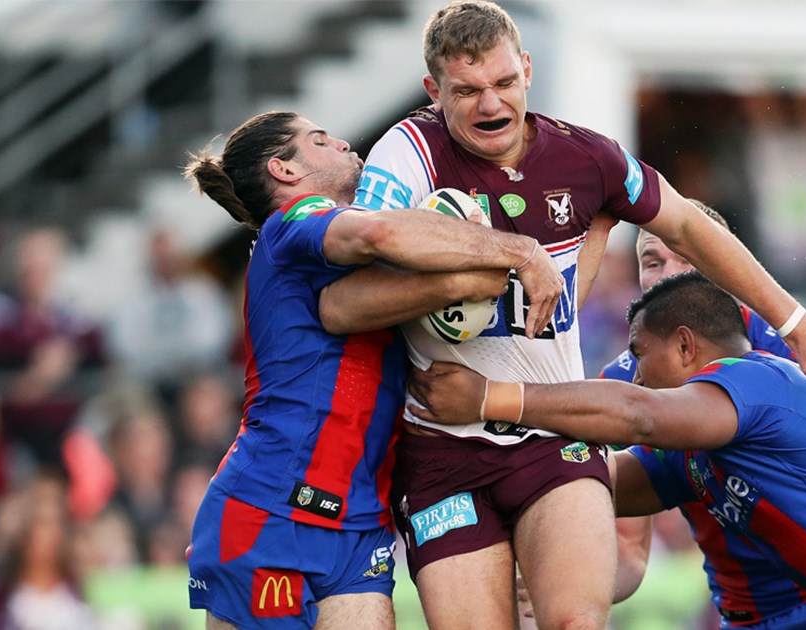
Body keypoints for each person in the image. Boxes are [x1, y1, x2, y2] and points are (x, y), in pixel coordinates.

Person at [343, 3, 806, 626]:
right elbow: (348, 296)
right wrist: (495, 262)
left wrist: (795, 322)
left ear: (527, 69)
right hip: (441, 451)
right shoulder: (408, 152)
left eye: (504, 82)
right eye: (467, 91)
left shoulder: (585, 156)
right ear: (434, 92)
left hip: (551, 441)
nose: (491, 104)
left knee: (575, 622)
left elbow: (686, 223)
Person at [409, 273, 806, 629]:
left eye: (640, 355)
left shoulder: (758, 378)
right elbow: (587, 482)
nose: (633, 371)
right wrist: (467, 471)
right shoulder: (693, 453)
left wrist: (491, 397)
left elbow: (638, 413)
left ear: (687, 346)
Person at [179, 110, 562, 630]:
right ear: (284, 170)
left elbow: (430, 277)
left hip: (360, 520)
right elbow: (378, 232)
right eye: (319, 140)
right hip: (271, 510)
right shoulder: (292, 223)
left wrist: (467, 276)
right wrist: (521, 251)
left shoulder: (344, 265)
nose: (341, 142)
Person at [593, 201, 806, 628]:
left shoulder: (789, 343)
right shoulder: (627, 383)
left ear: (724, 265)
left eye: (686, 258)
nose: (668, 275)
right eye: (652, 262)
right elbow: (629, 553)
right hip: (747, 616)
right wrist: (566, 590)